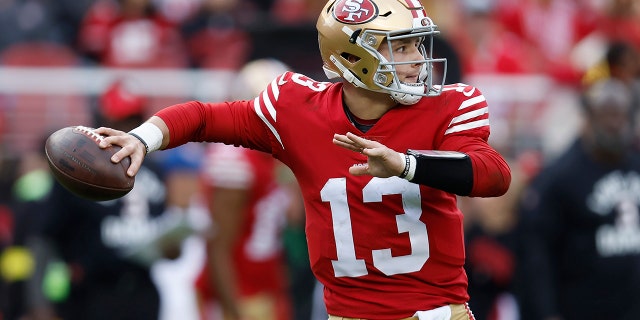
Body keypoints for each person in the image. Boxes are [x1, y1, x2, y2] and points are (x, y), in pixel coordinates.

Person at [96, 0, 511, 318]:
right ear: (354, 57)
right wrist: (142, 138)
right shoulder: (296, 109)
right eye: (401, 47)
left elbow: (493, 175)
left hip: (431, 312)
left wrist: (406, 165)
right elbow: (204, 117)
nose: (418, 60)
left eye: (417, 44)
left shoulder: (451, 105)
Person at [30, 79, 190, 320]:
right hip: (91, 292)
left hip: (143, 291)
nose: (126, 128)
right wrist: (40, 305)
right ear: (102, 120)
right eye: (120, 120)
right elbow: (45, 237)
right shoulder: (77, 170)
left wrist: (172, 245)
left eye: (133, 120)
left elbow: (171, 250)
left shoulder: (156, 172)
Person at [515, 78, 640, 320]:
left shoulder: (636, 164)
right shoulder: (558, 178)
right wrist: (546, 312)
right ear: (587, 119)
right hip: (582, 308)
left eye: (620, 116)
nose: (615, 124)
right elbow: (536, 255)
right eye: (607, 116)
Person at [194, 59, 295, 320]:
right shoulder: (235, 159)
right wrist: (233, 309)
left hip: (267, 285)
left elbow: (292, 218)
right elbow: (218, 246)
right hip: (239, 294)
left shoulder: (273, 156)